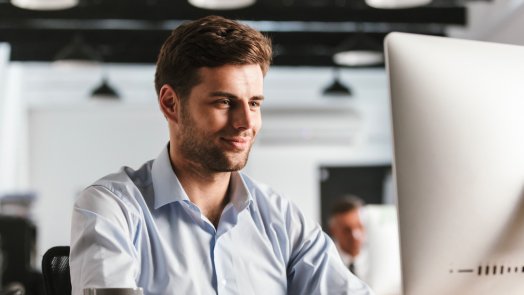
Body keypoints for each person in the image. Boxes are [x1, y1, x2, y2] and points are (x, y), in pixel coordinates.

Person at [70, 15, 373, 295]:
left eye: (254, 103)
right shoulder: (112, 209)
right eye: (225, 102)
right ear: (170, 104)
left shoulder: (281, 218)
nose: (245, 122)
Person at [328, 196, 369, 282]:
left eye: (359, 226)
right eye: (347, 230)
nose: (355, 235)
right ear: (333, 231)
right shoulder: (327, 262)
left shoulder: (379, 257)